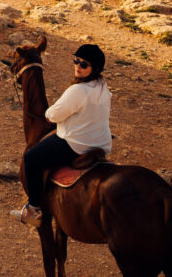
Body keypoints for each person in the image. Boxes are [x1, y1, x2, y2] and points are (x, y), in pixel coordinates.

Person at [11, 44, 112, 228]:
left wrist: (56, 110)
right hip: (100, 144)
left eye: (84, 64)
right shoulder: (102, 86)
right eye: (76, 61)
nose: (78, 66)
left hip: (76, 144)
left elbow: (51, 115)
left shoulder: (77, 90)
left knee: (30, 158)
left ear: (94, 69)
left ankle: (34, 208)